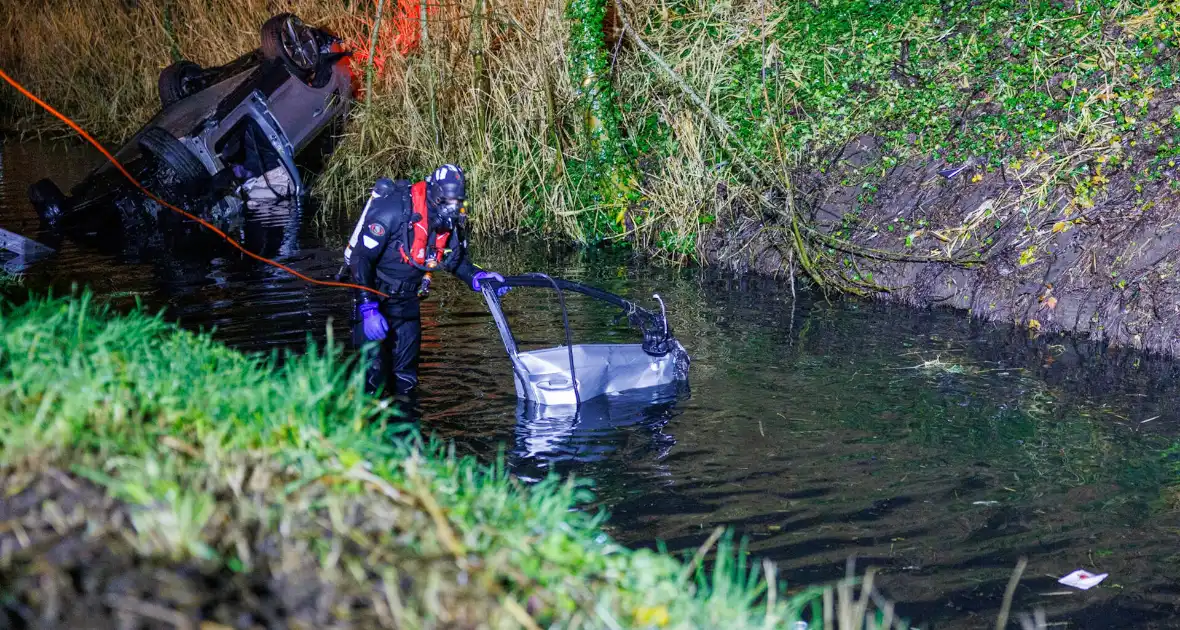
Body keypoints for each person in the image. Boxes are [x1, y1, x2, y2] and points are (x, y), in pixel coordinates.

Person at [344, 164, 506, 397]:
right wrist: (368, 307)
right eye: (446, 202)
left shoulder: (449, 220)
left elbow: (455, 261)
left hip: (407, 301)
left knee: (406, 379)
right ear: (432, 194)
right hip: (374, 295)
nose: (452, 209)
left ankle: (407, 427)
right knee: (372, 379)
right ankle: (364, 428)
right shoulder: (394, 211)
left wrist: (478, 277)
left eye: (457, 202)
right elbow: (360, 259)